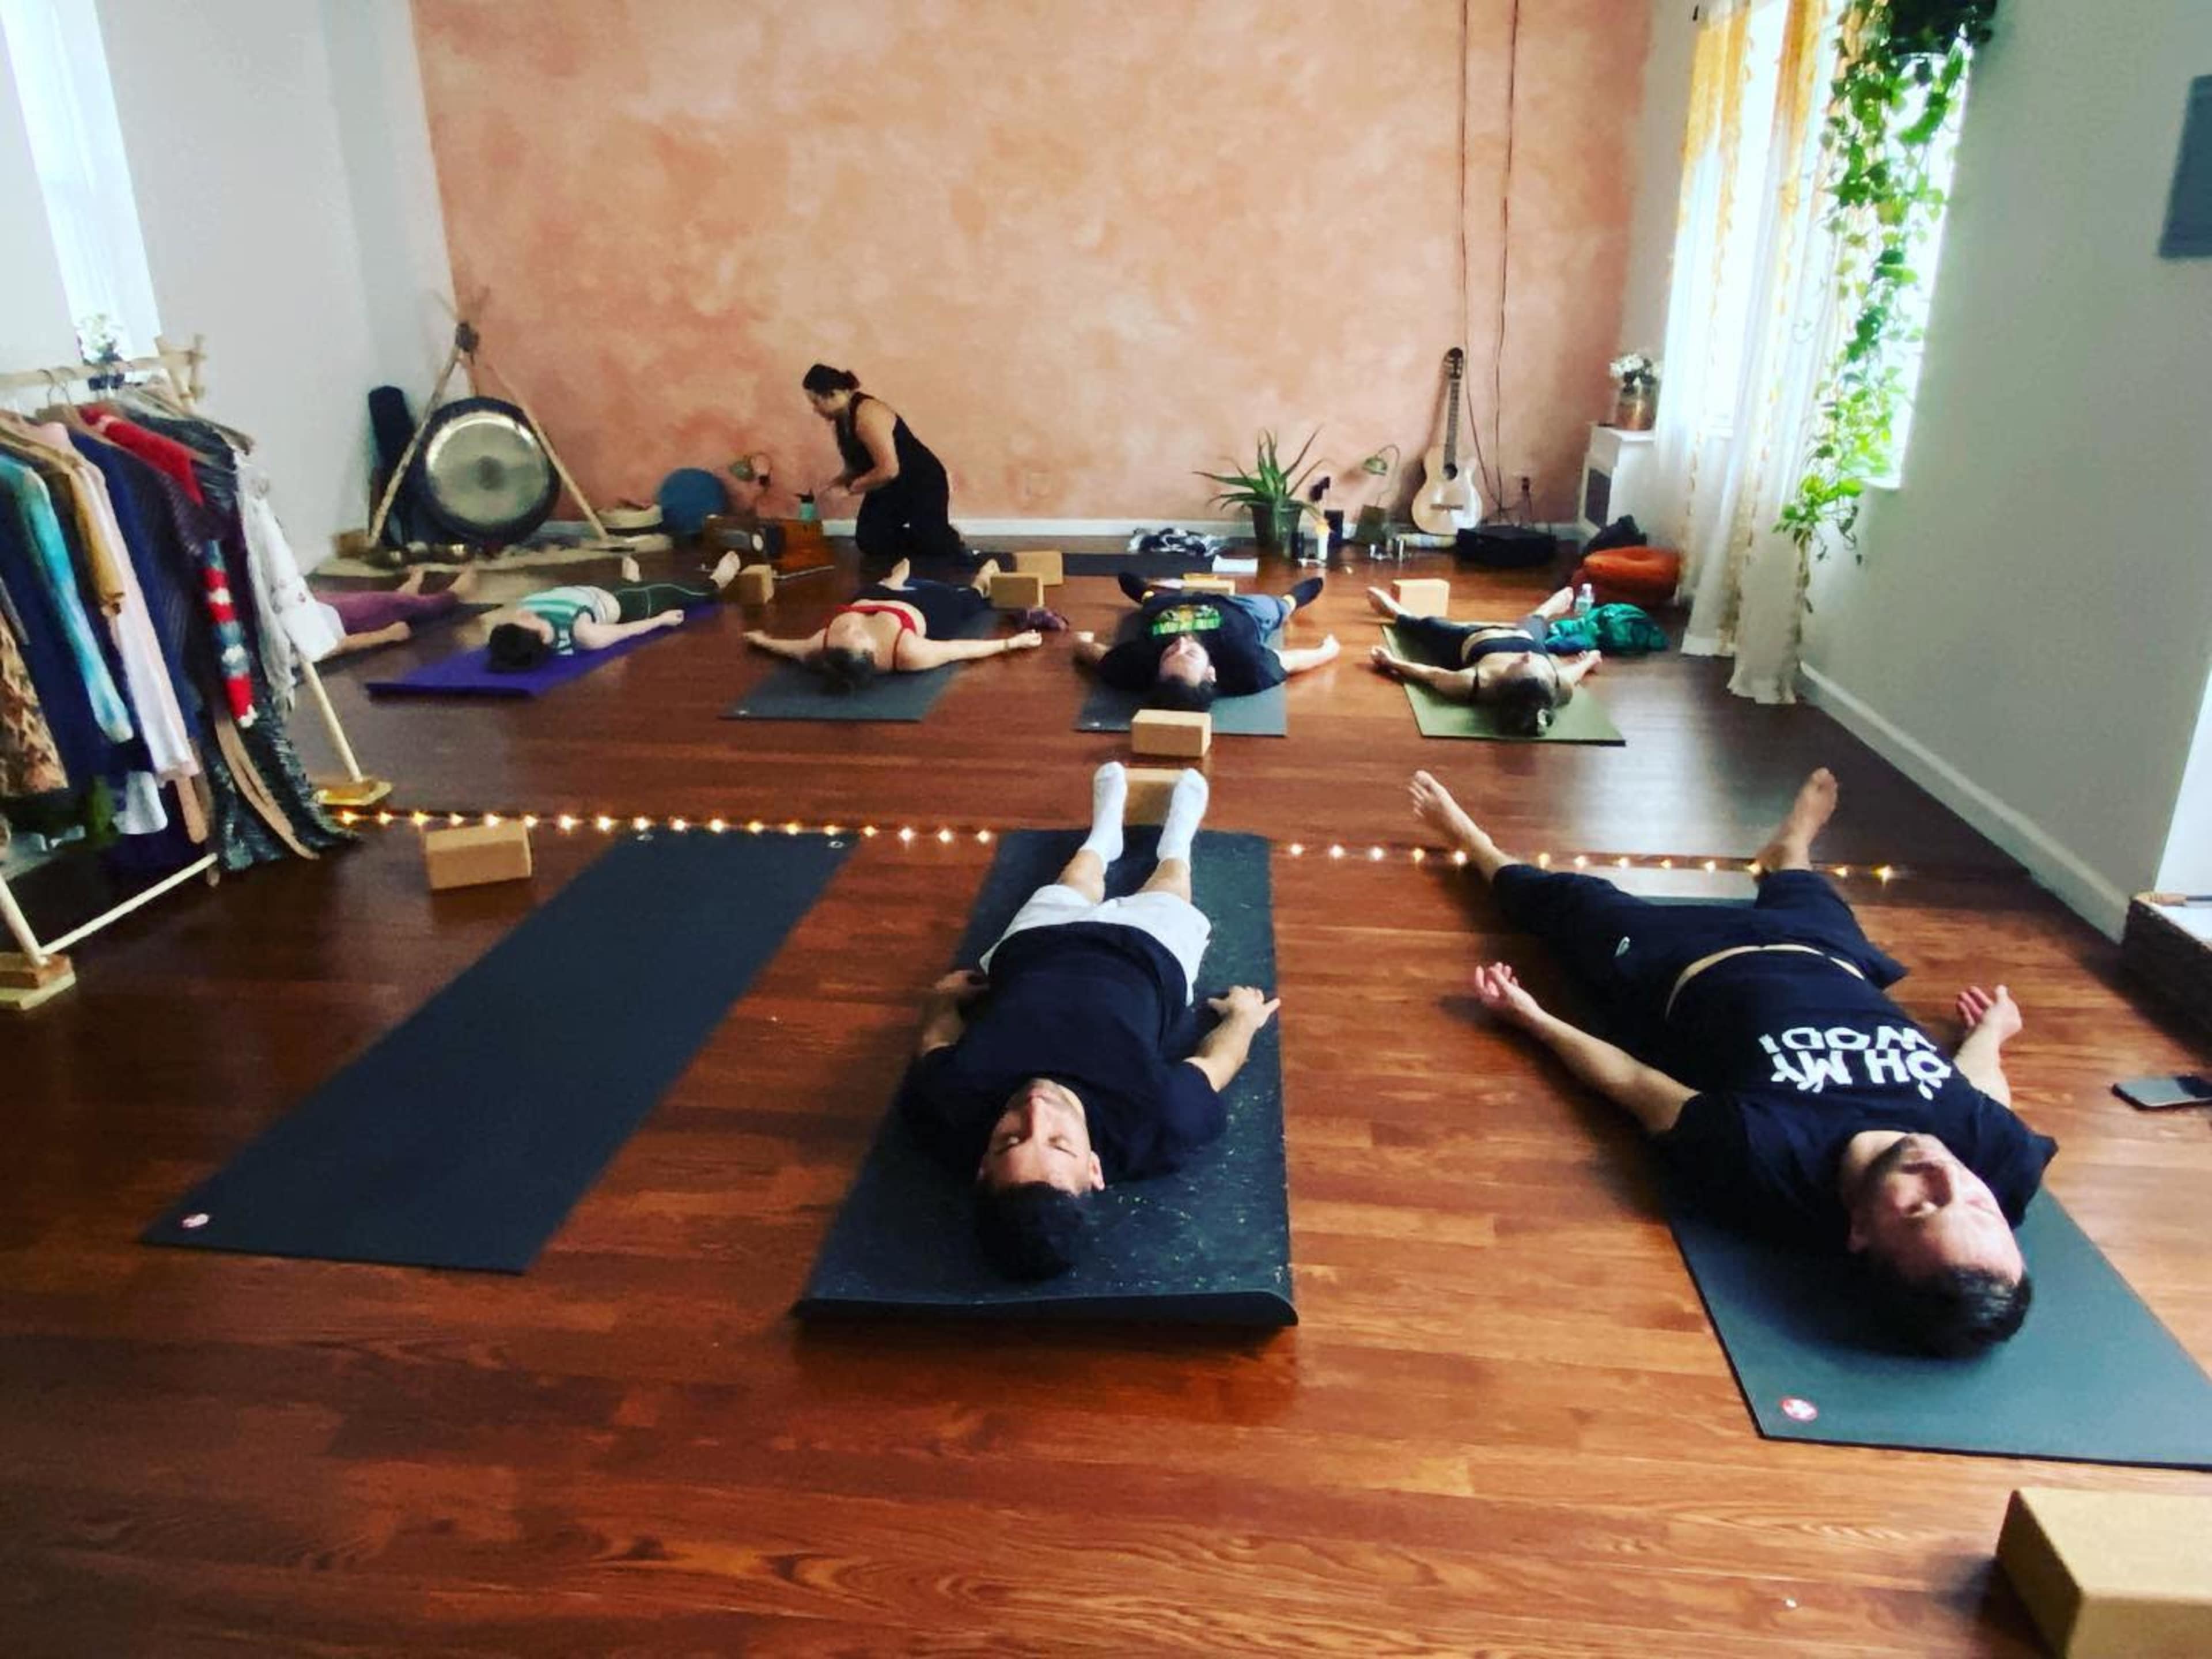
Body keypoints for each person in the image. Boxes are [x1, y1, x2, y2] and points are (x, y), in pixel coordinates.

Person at [1408, 765, 2056, 1357]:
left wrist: (1533, 1019)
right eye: (1977, 1206)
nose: (1945, 1176)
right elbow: (1979, 1089)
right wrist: (1994, 1033)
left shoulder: (1760, 1153)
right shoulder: (1998, 1158)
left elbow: (1637, 1084)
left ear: (1859, 1232)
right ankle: (1789, 850)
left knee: (1565, 900)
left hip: (1673, 957)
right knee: (1806, 888)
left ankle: (1475, 843)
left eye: (1920, 1208)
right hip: (1828, 952)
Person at [896, 762, 1282, 1279]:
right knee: (1171, 883)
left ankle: (1105, 834)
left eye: (1009, 1140)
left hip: (1034, 949)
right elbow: (1216, 1062)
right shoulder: (1158, 1121)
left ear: (981, 1166)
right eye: (1059, 1143)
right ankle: (1177, 841)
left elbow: (936, 1042)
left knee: (1077, 875)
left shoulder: (947, 1109)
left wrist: (940, 1001)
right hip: (1149, 957)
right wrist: (1244, 1020)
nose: (1035, 1111)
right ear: (1095, 1168)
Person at [743, 557, 1043, 692]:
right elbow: (958, 649)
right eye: (855, 635)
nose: (847, 629)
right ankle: (980, 584)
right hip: (923, 608)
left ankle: (892, 582)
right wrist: (1011, 643)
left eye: (842, 632)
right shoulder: (908, 653)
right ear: (872, 654)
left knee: (867, 593)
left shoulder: (824, 647)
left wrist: (762, 640)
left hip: (871, 597)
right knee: (966, 602)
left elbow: (790, 648)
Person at [1073, 573, 1340, 713]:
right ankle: (1291, 601)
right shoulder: (1247, 666)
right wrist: (1327, 651)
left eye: (1169, 655)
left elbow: (1097, 655)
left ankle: (1147, 594)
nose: (1180, 644)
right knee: (1276, 609)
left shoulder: (1138, 665)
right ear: (1211, 673)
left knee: (1151, 604)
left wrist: (1080, 641)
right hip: (1242, 611)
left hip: (1171, 607)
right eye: (1189, 656)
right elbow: (1291, 662)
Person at [1366, 583, 1601, 735]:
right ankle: (1547, 609)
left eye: (1520, 664)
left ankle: (1398, 612)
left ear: (1504, 681)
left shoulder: (1476, 683)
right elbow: (1573, 674)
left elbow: (1432, 675)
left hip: (1472, 640)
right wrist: (1589, 660)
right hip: (1526, 635)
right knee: (1536, 622)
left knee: (1427, 628)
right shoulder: (1558, 687)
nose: (1527, 656)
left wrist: (1392, 663)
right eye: (1532, 663)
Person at [802, 363, 967, 565]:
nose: (815, 409)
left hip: (921, 482)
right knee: (870, 541)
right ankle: (932, 536)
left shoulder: (868, 415)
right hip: (889, 485)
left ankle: (942, 537)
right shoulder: (842, 420)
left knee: (934, 548)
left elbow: (889, 469)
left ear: (833, 394)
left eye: (816, 402)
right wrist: (835, 483)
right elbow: (855, 466)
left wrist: (849, 489)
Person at [483, 552, 741, 673]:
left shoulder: (524, 617)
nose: (521, 616)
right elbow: (625, 631)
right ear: (538, 638)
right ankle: (717, 582)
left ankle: (631, 580)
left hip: (597, 590)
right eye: (525, 624)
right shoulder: (584, 634)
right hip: (629, 603)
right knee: (678, 590)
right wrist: (659, 620)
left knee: (622, 585)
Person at [313, 567, 481, 660]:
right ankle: (456, 592)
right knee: (405, 605)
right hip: (342, 617)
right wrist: (388, 635)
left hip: (318, 606)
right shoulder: (293, 654)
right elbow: (337, 646)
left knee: (382, 602)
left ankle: (402, 595)